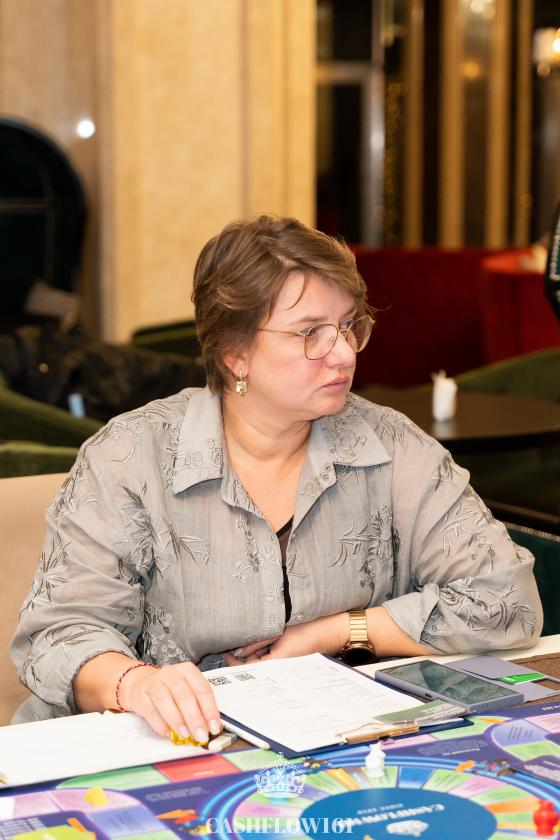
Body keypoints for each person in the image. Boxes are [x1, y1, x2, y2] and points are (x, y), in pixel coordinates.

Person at [11, 215, 543, 744]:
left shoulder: (391, 445)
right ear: (234, 353)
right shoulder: (131, 455)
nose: (344, 353)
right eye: (311, 333)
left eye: (348, 326)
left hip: (332, 739)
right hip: (157, 743)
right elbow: (59, 635)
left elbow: (507, 599)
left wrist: (338, 631)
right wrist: (136, 683)